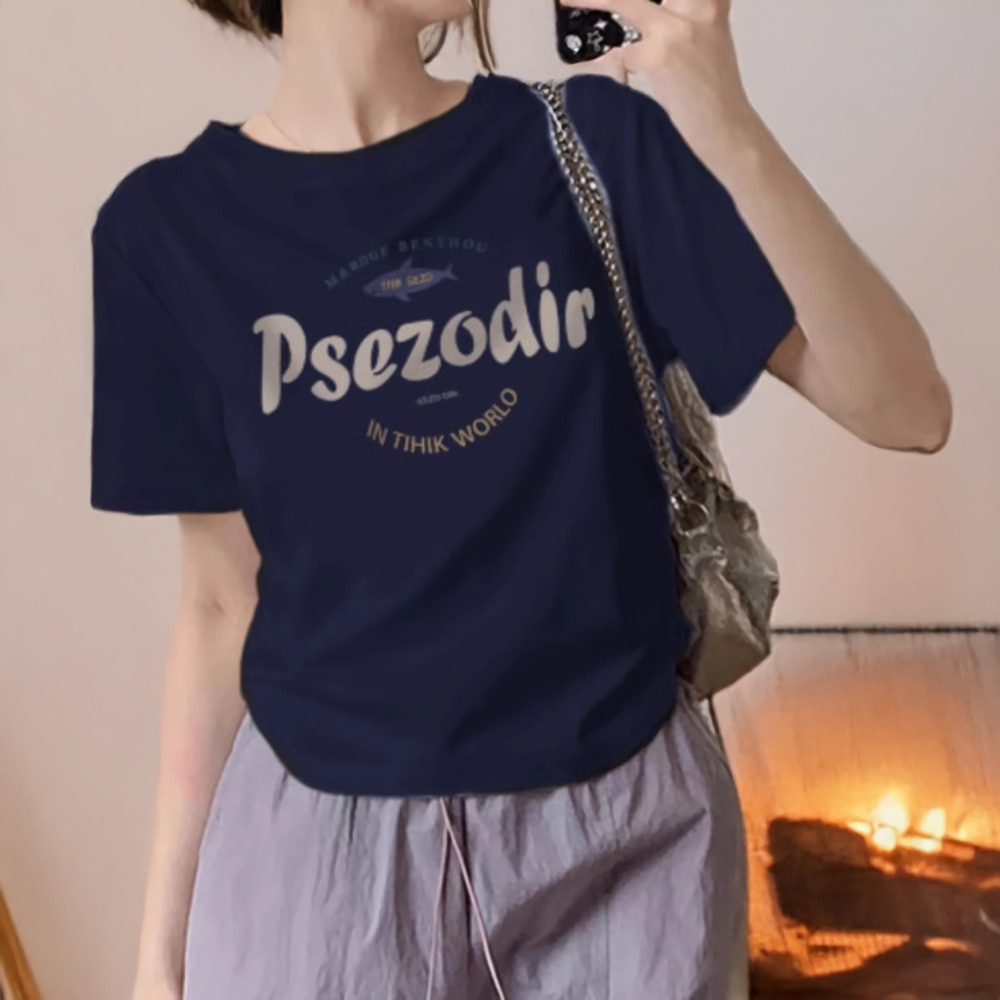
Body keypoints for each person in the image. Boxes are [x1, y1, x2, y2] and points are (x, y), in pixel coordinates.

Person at [89, 0, 951, 996]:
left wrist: (724, 117)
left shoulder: (595, 146)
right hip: (327, 858)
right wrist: (159, 955)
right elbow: (217, 603)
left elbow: (907, 407)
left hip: (628, 840)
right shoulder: (167, 232)